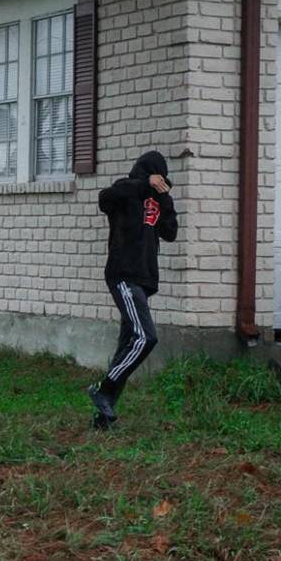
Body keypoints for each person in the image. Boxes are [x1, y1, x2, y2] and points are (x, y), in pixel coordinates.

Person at [87, 151, 178, 429]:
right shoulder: (125, 192)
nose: (159, 180)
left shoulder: (158, 200)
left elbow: (171, 233)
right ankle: (102, 389)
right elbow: (105, 198)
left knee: (125, 348)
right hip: (123, 275)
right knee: (145, 338)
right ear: (146, 173)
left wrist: (164, 197)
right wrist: (144, 183)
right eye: (156, 176)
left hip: (144, 280)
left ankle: (104, 416)